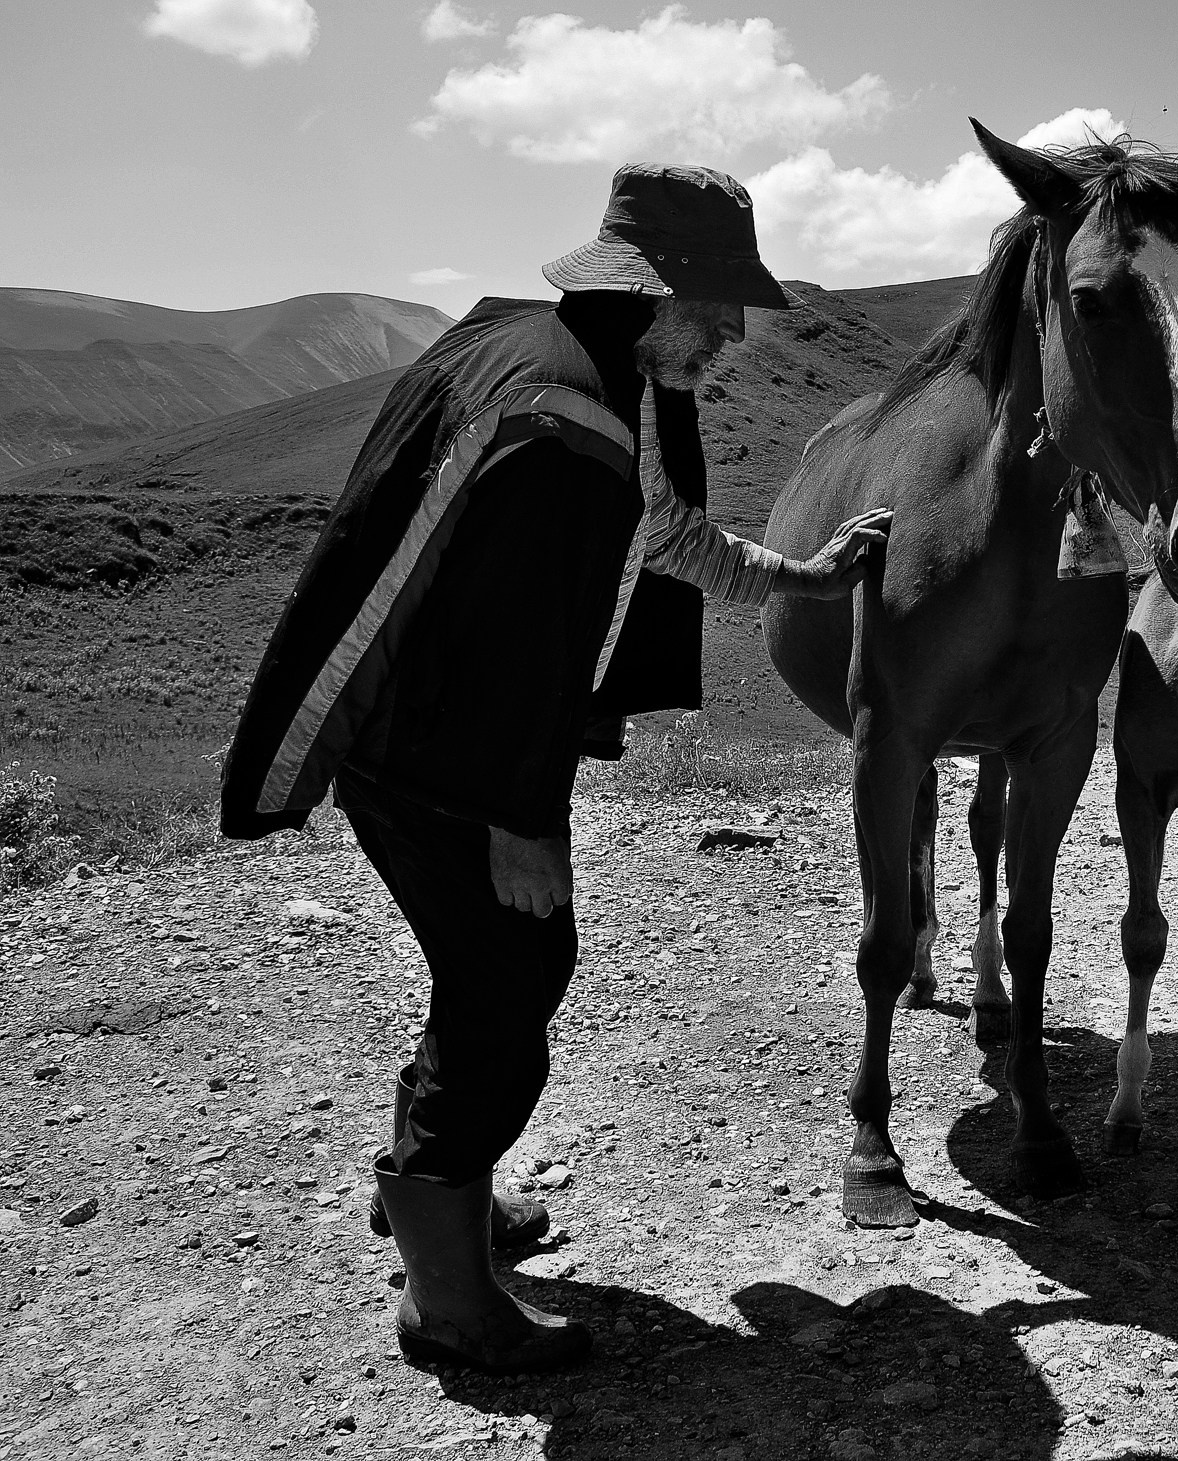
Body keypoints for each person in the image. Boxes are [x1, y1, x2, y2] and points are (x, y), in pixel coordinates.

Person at [219, 163, 888, 1372]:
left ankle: (444, 1198)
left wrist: (807, 575)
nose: (734, 334)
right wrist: (519, 819)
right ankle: (447, 1302)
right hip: (444, 759)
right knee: (512, 985)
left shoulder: (570, 366)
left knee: (487, 974)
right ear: (660, 291)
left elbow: (665, 537)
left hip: (435, 742)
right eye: (722, 305)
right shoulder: (565, 421)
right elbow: (515, 659)